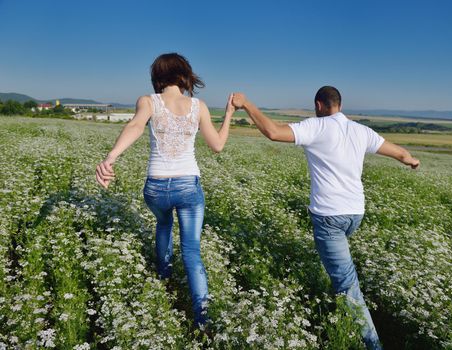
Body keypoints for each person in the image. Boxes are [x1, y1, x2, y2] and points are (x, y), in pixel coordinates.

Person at [231, 86, 420, 350]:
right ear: (339, 105)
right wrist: (411, 160)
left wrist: (247, 104)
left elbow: (273, 132)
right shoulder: (360, 130)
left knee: (348, 284)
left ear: (319, 105)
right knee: (340, 272)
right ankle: (341, 306)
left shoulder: (316, 127)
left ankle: (371, 345)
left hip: (329, 216)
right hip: (355, 214)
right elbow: (399, 152)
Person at [95, 53, 235, 326]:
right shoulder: (199, 106)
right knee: (192, 251)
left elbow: (135, 126)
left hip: (156, 187)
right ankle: (202, 318)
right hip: (187, 187)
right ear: (185, 75)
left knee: (162, 224)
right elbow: (217, 145)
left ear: (157, 78)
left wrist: (110, 158)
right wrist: (228, 115)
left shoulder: (148, 101)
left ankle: (163, 275)